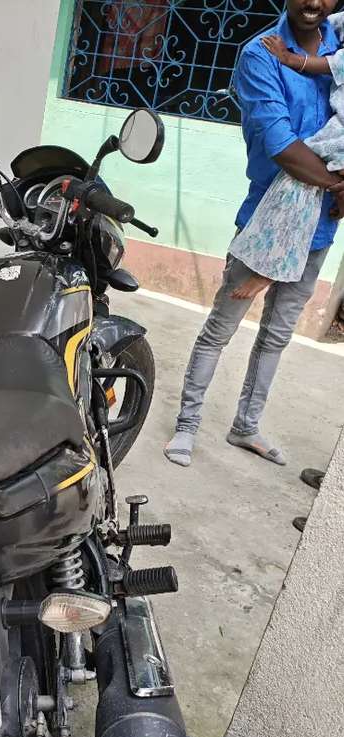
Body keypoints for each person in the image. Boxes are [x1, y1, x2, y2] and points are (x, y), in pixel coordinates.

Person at [165, 0, 344, 469]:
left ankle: (246, 426)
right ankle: (187, 424)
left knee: (277, 335)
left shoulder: (339, 44)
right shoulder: (261, 53)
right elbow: (281, 145)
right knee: (221, 328)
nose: (314, 2)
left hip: (320, 226)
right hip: (268, 221)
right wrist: (337, 184)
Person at [230, 18, 344, 298]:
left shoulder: (331, 43)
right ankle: (265, 271)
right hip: (266, 210)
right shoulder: (259, 54)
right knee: (302, 173)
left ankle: (266, 272)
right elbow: (284, 148)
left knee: (301, 176)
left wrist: (290, 58)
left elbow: (328, 64)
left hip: (323, 220)